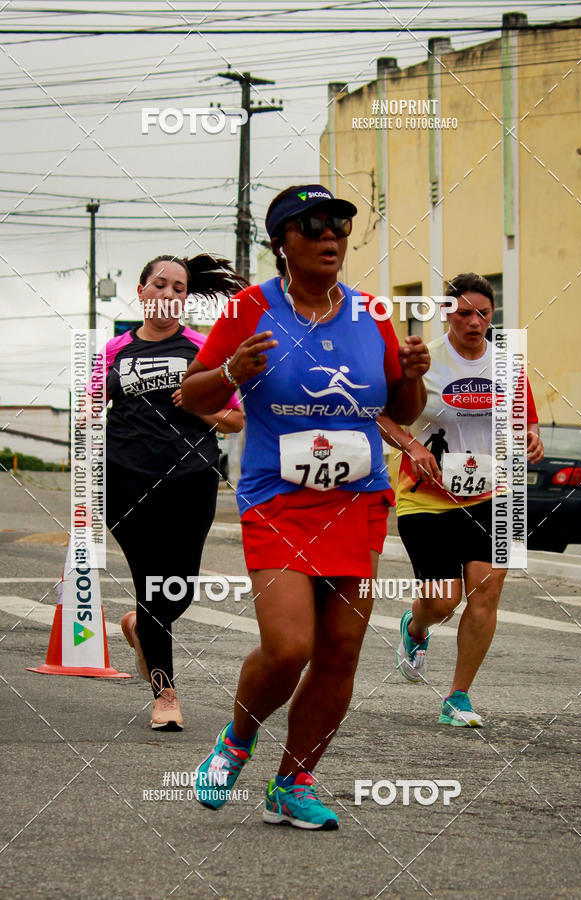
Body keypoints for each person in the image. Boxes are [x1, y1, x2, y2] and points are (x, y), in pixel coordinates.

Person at [181, 184, 429, 830]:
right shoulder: (249, 309)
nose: (331, 236)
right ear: (282, 243)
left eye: (340, 226)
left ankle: (293, 783)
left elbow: (397, 411)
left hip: (356, 500)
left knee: (342, 649)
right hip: (279, 498)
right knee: (289, 646)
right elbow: (192, 397)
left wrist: (413, 374)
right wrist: (233, 371)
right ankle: (237, 739)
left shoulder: (371, 312)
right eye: (314, 225)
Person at [378, 273, 544, 727]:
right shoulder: (423, 359)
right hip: (427, 497)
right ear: (447, 313)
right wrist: (412, 446)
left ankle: (458, 698)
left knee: (487, 592)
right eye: (464, 312)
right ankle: (415, 628)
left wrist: (530, 435)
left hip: (498, 491)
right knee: (442, 601)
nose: (474, 322)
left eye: (483, 313)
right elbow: (381, 414)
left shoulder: (507, 361)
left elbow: (525, 418)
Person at [90, 253, 245, 731]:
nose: (169, 295)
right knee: (151, 582)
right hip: (124, 479)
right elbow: (88, 409)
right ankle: (165, 691)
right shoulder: (113, 351)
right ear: (141, 291)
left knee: (176, 592)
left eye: (179, 289)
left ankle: (139, 627)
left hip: (190, 481)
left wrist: (200, 411)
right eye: (160, 285)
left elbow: (237, 418)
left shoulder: (203, 349)